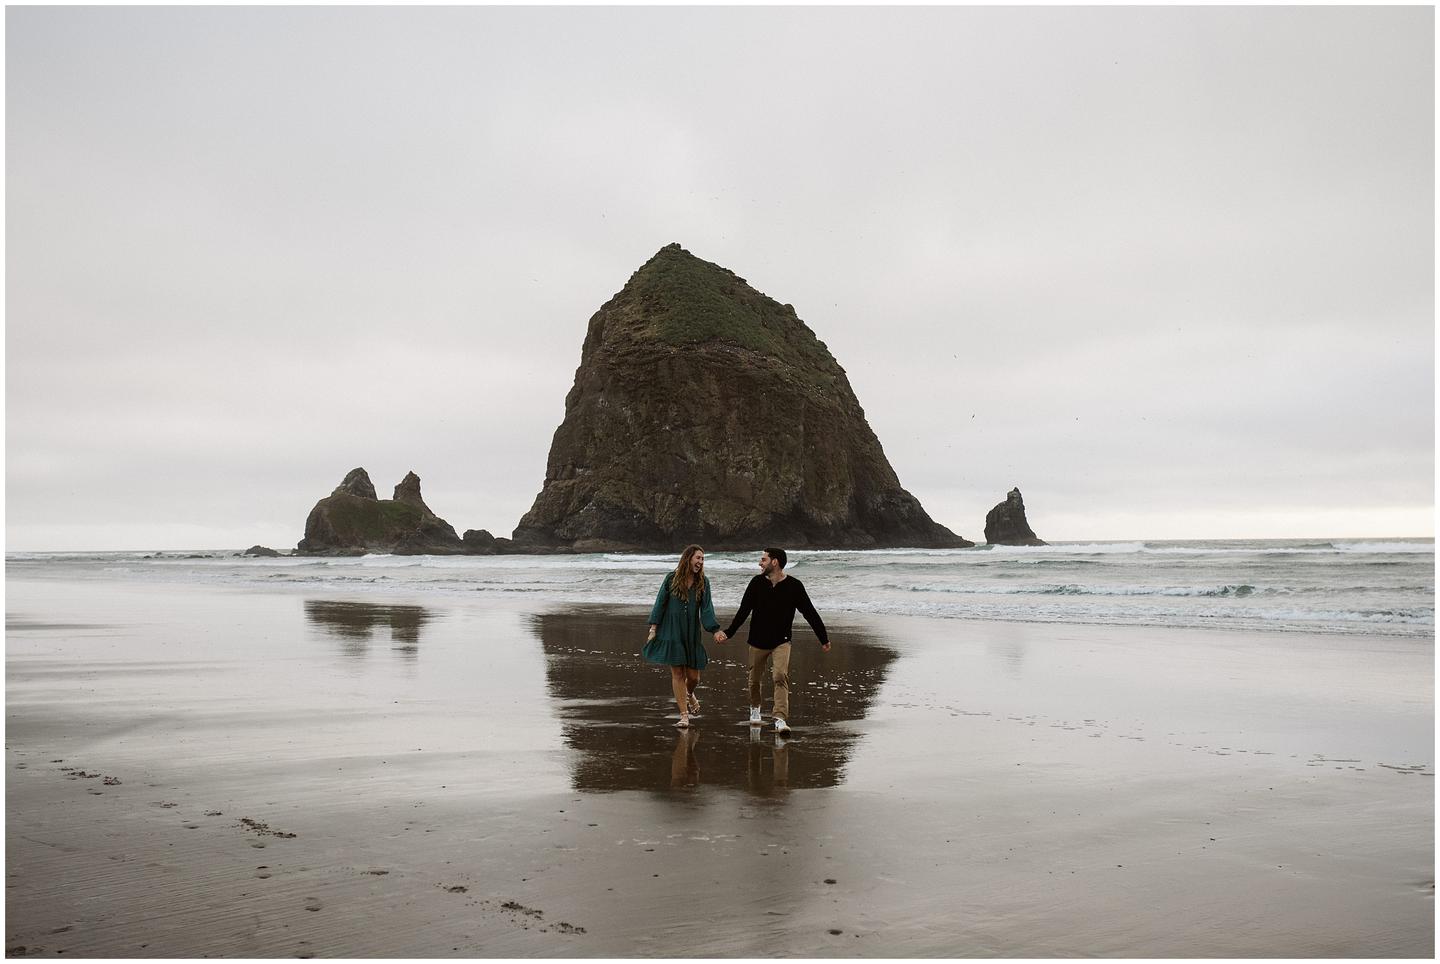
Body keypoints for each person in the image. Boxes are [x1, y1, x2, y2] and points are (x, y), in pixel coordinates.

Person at [715, 547, 830, 735]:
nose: (760, 563)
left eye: (763, 560)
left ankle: (780, 719)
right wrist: (729, 632)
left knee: (780, 676)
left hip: (781, 641)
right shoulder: (756, 583)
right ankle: (755, 707)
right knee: (754, 680)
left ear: (774, 562)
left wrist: (823, 637)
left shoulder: (794, 586)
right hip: (757, 640)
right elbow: (744, 610)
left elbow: (809, 612)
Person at [643, 544, 725, 728]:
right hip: (671, 630)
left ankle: (689, 693)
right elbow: (660, 603)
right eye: (698, 558)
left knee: (694, 677)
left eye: (703, 559)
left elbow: (707, 609)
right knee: (678, 673)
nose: (701, 562)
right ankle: (684, 715)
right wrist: (653, 630)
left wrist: (715, 630)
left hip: (691, 632)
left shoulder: (703, 582)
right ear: (688, 558)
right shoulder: (671, 578)